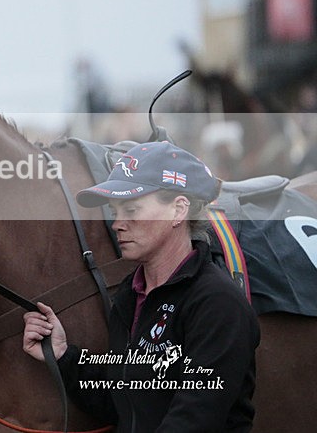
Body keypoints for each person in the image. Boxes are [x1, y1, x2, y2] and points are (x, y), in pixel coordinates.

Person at [23, 141, 260, 432]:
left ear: (178, 210)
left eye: (131, 209)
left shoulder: (218, 304)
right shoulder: (130, 296)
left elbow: (195, 419)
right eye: (115, 210)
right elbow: (124, 403)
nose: (117, 224)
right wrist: (62, 355)